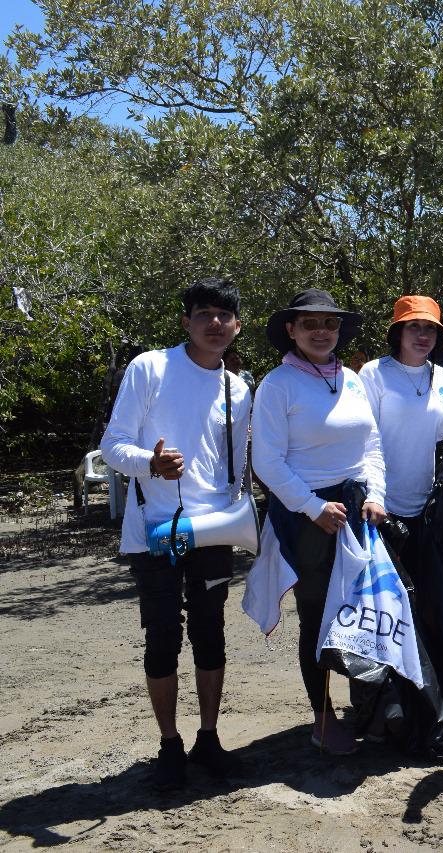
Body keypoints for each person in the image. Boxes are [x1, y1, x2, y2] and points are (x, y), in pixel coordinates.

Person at [100, 276, 251, 789]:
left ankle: (209, 737)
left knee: (211, 634)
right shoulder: (150, 368)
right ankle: (170, 744)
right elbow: (113, 446)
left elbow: (235, 468)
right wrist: (151, 463)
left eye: (224, 315)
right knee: (162, 637)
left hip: (212, 532)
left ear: (237, 326)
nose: (215, 323)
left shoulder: (238, 388)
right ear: (186, 321)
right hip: (154, 532)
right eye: (204, 314)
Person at [250, 288, 387, 755]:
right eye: (309, 323)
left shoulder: (352, 379)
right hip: (306, 515)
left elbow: (372, 446)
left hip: (357, 508)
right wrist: (312, 508)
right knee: (318, 617)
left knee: (363, 610)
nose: (321, 331)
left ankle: (368, 708)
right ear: (291, 330)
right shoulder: (277, 385)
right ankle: (322, 717)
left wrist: (377, 495)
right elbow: (267, 462)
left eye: (329, 323)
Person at [358, 295, 443, 563]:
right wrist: (374, 495)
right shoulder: (373, 373)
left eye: (430, 328)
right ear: (398, 332)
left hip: (426, 504)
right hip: (379, 501)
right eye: (414, 326)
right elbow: (364, 439)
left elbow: (442, 438)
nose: (423, 335)